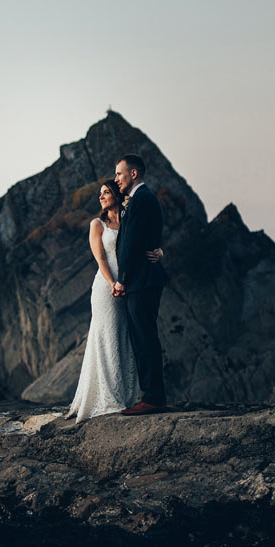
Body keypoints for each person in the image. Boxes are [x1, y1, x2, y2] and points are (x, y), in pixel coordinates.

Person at [66, 180, 163, 423]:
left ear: (117, 195)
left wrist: (160, 251)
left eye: (107, 192)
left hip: (129, 285)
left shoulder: (128, 219)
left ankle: (125, 395)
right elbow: (100, 259)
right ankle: (104, 396)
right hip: (107, 287)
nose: (102, 196)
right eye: (100, 194)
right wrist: (113, 284)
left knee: (124, 337)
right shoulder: (97, 224)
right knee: (106, 334)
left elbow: (142, 242)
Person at [112, 154, 169, 415]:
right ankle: (151, 395)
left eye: (120, 174)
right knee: (143, 336)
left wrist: (122, 279)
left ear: (133, 174)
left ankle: (153, 398)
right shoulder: (140, 200)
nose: (116, 179)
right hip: (144, 279)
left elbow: (131, 245)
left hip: (141, 281)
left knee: (145, 337)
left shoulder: (142, 199)